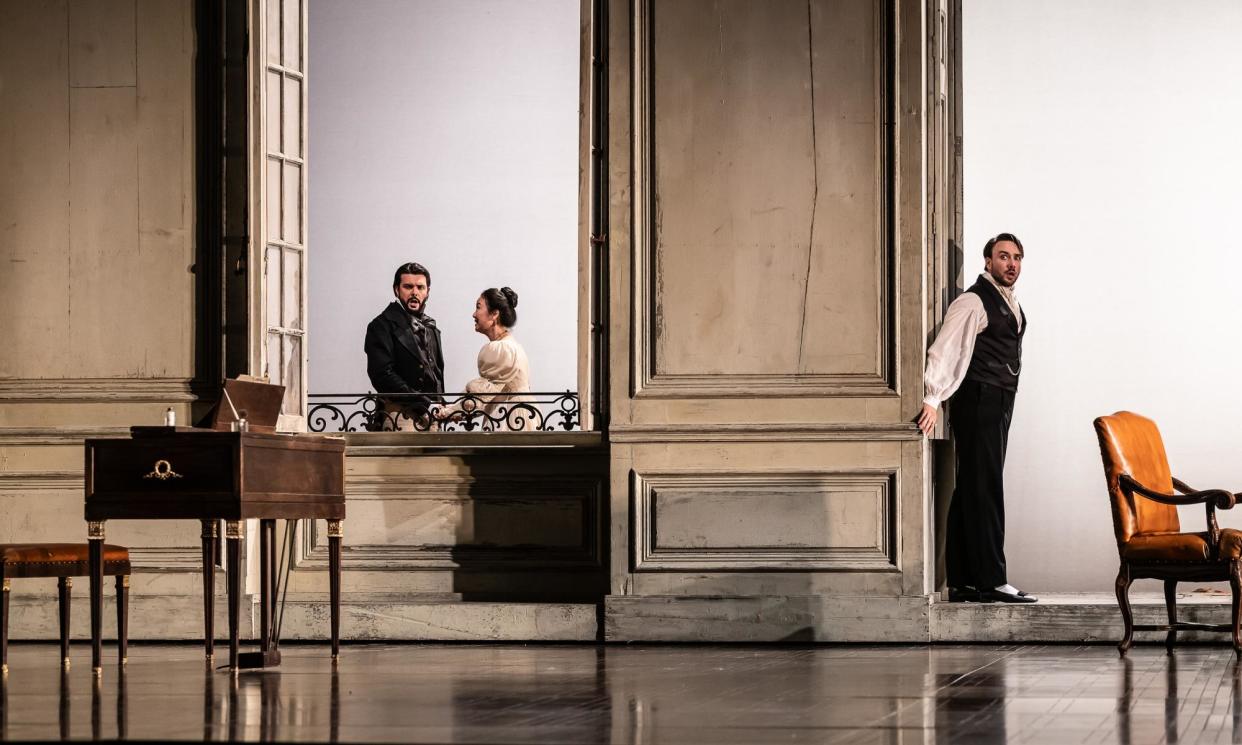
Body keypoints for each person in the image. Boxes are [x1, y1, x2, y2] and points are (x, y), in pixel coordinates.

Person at [917, 233, 1036, 604]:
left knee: (972, 486)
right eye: (1003, 256)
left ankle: (964, 580)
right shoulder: (973, 301)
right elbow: (946, 348)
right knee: (985, 487)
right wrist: (933, 397)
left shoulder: (1008, 301)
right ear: (988, 261)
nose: (1011, 263)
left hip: (998, 400)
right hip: (980, 400)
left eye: (1016, 257)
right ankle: (991, 579)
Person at [437, 287, 534, 431]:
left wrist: (448, 412)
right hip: (517, 415)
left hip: (508, 420)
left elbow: (481, 397)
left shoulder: (502, 349)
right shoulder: (512, 346)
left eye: (478, 307)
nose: (474, 314)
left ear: (494, 314)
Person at [363, 262, 445, 429]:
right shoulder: (381, 325)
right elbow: (382, 375)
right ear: (396, 289)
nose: (415, 292)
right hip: (400, 414)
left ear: (427, 291)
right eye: (408, 286)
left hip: (433, 415)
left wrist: (441, 405)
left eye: (420, 287)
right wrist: (423, 404)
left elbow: (436, 373)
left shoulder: (431, 327)